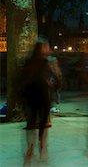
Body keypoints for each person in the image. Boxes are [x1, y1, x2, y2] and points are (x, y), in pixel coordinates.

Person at [20, 37, 62, 165]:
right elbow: (56, 77)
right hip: (43, 95)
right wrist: (55, 87)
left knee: (31, 121)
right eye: (46, 46)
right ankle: (41, 144)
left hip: (31, 95)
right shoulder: (47, 62)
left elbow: (22, 78)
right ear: (43, 48)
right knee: (43, 122)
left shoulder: (29, 61)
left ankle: (31, 146)